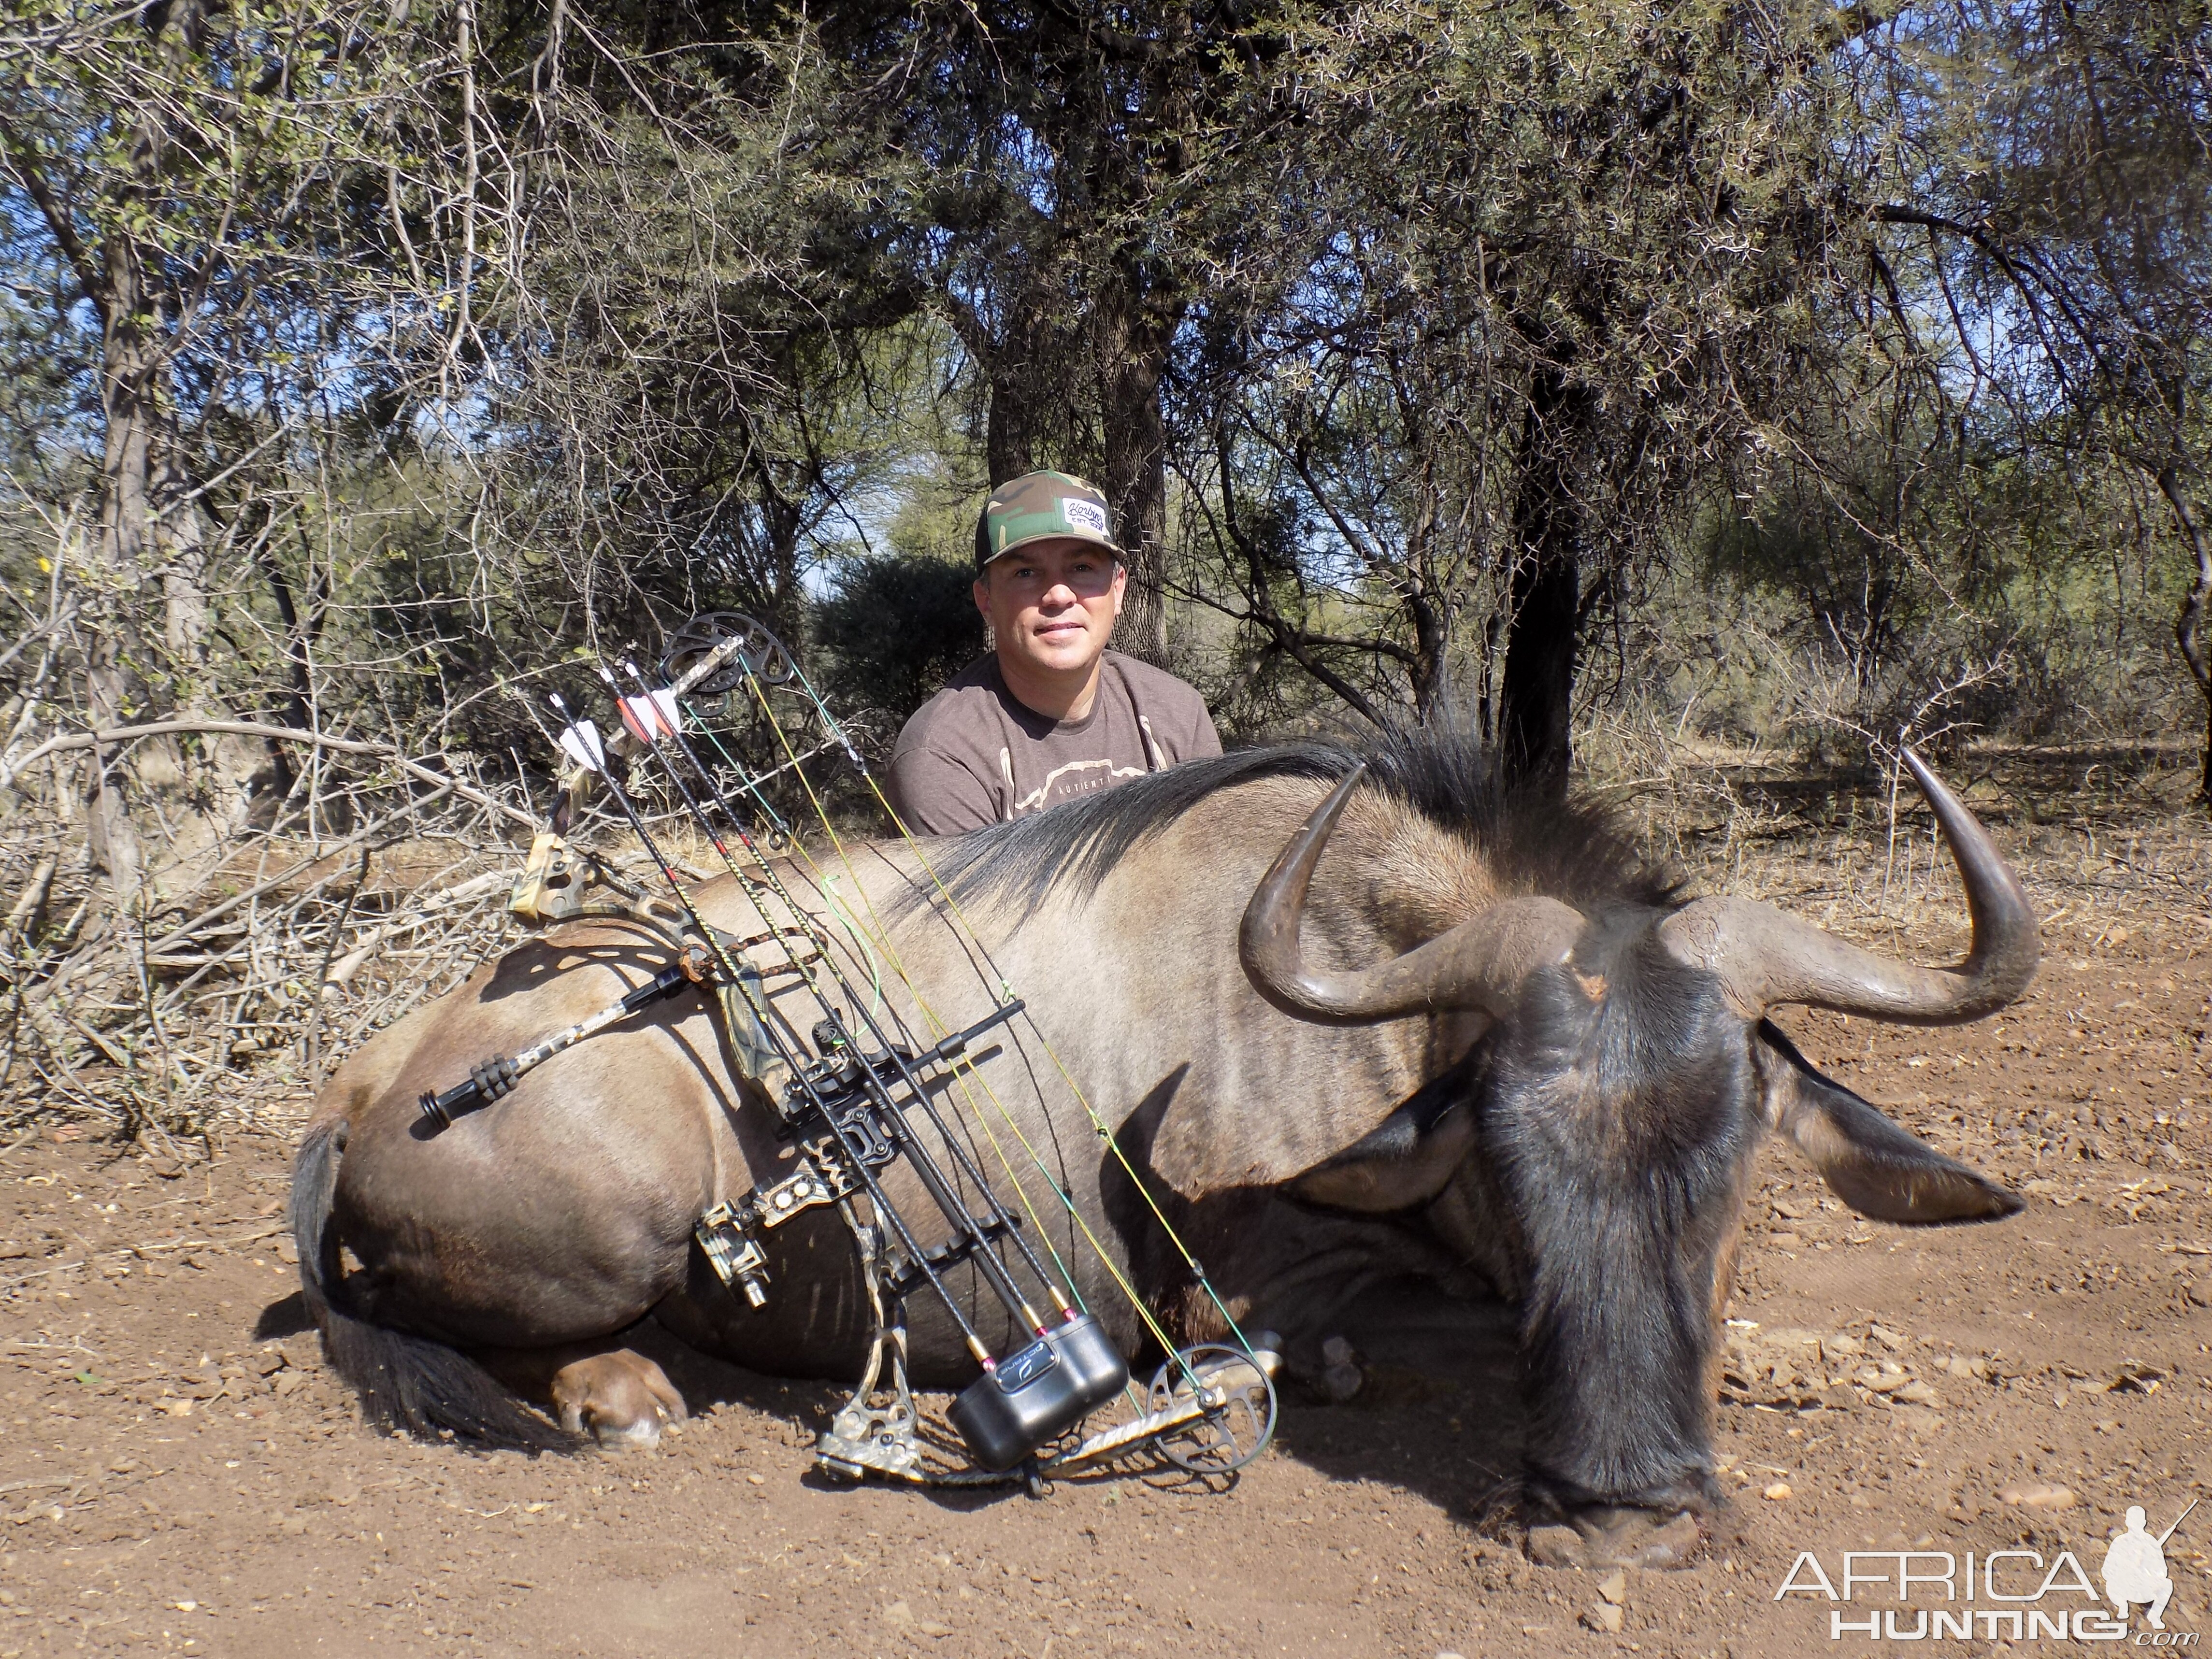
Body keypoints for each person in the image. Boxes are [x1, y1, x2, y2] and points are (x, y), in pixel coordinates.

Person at [887, 470, 1221, 835]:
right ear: (986, 601)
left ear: (1118, 590)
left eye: (1082, 568)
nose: (1059, 596)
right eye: (1026, 573)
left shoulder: (1178, 716)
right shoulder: (942, 757)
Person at [2101, 1505, 2176, 1630]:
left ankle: (2155, 1615)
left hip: (2144, 1587)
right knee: (2111, 1585)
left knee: (2167, 1584)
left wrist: (2147, 1568)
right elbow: (2107, 1570)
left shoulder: (2151, 1543)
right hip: (2123, 1588)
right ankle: (2123, 1608)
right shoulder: (2120, 1542)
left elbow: (2162, 1571)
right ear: (2128, 1523)